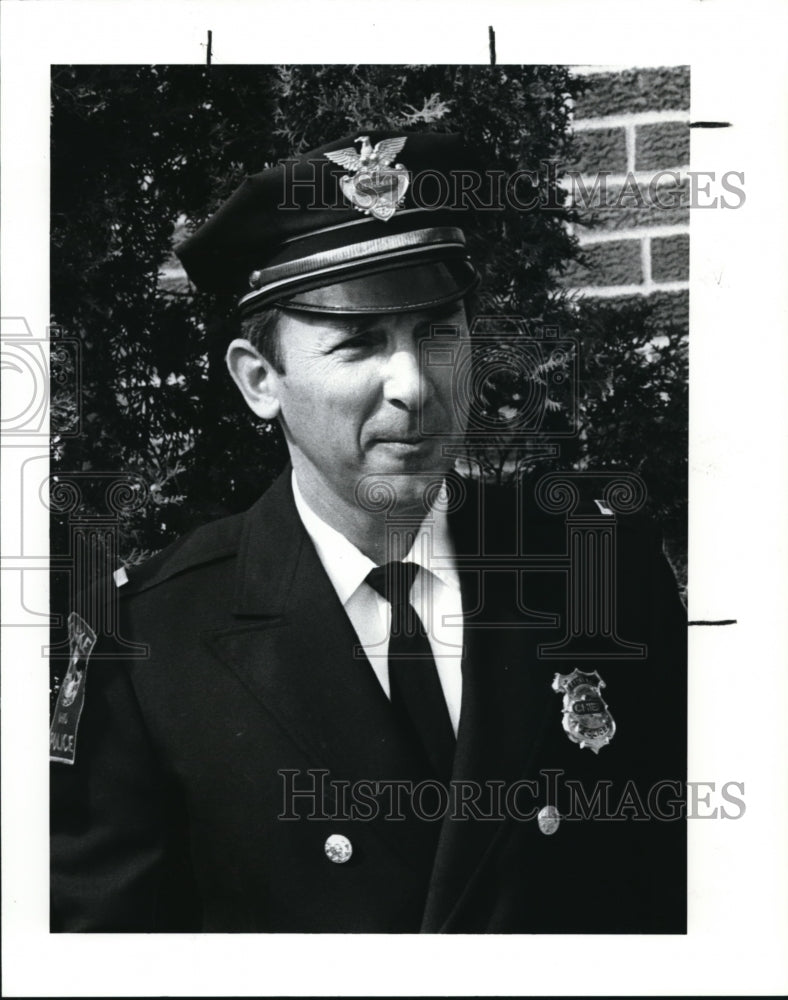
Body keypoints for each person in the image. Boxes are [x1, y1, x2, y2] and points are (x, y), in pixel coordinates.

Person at [50, 131, 687, 933]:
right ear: (259, 379)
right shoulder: (148, 645)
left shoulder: (598, 571)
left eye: (438, 335)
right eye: (357, 344)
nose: (413, 385)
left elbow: (681, 893)